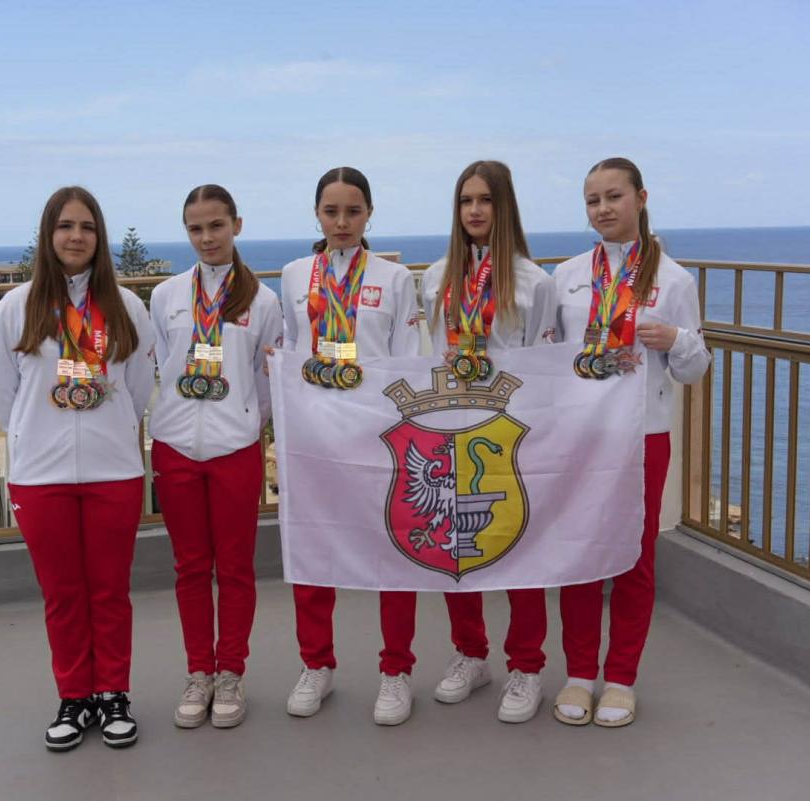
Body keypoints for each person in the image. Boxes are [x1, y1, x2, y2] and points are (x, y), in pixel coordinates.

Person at [0, 186, 157, 750]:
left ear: (99, 237)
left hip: (114, 472)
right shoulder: (15, 308)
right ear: (48, 235)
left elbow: (138, 389)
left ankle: (113, 694)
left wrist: (106, 431)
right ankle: (75, 696)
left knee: (109, 591)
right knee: (62, 594)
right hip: (40, 476)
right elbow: (3, 396)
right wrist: (38, 435)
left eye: (86, 226)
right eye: (65, 226)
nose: (76, 236)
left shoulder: (127, 307)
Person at [552, 157, 710, 727]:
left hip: (644, 438)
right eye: (592, 200)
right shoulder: (566, 277)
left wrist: (677, 339)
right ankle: (578, 675)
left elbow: (693, 368)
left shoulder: (674, 279)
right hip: (581, 439)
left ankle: (620, 679)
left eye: (613, 196)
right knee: (578, 557)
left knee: (635, 561)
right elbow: (550, 359)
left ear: (641, 198)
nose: (603, 209)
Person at [279, 166, 421, 725]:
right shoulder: (294, 275)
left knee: (394, 554)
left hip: (377, 437)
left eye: (353, 211)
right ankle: (316, 663)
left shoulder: (395, 278)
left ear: (369, 214)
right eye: (331, 211)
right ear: (316, 214)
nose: (341, 222)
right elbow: (293, 351)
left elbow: (407, 358)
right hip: (314, 436)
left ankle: (396, 670)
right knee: (314, 551)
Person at [419, 160, 557, 723]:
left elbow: (544, 363)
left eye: (485, 200)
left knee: (520, 549)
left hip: (509, 433)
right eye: (465, 200)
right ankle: (470, 653)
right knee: (457, 549)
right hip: (449, 426)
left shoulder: (534, 282)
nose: (474, 211)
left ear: (505, 206)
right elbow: (428, 353)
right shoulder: (435, 277)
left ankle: (527, 665)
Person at [148, 184, 283, 729]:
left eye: (216, 226)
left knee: (235, 568)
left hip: (235, 449)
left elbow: (265, 381)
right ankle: (198, 672)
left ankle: (230, 671)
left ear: (237, 225)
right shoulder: (166, 296)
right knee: (189, 567)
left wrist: (247, 422)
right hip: (176, 445)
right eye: (196, 228)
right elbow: (163, 363)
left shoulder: (263, 301)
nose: (207, 238)